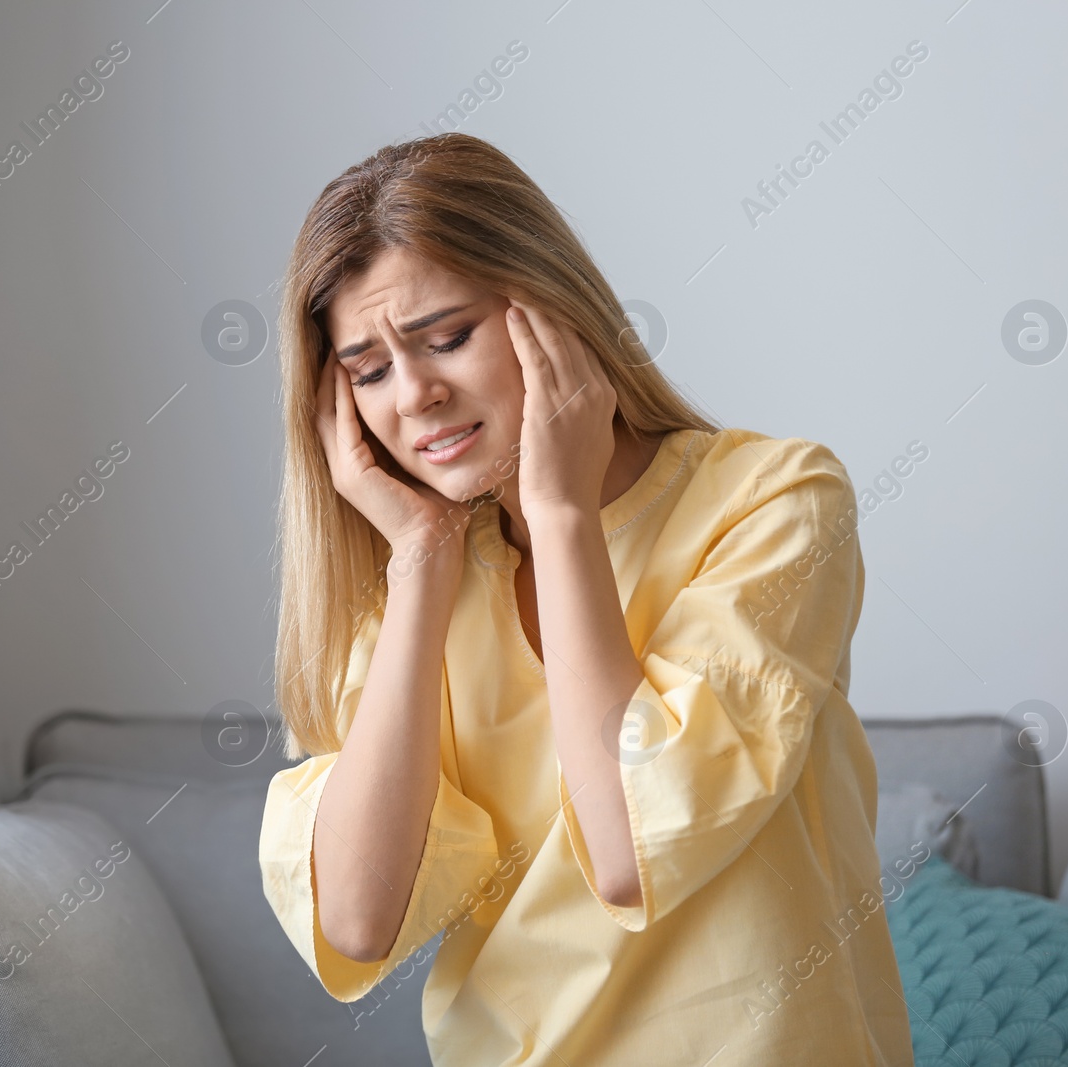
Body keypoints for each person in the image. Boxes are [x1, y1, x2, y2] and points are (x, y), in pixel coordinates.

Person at [258, 131, 915, 1065]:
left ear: (553, 313)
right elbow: (361, 919)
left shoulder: (776, 500)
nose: (414, 394)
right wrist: (416, 563)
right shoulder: (418, 589)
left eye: (448, 337)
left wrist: (560, 510)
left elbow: (632, 849)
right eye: (367, 370)